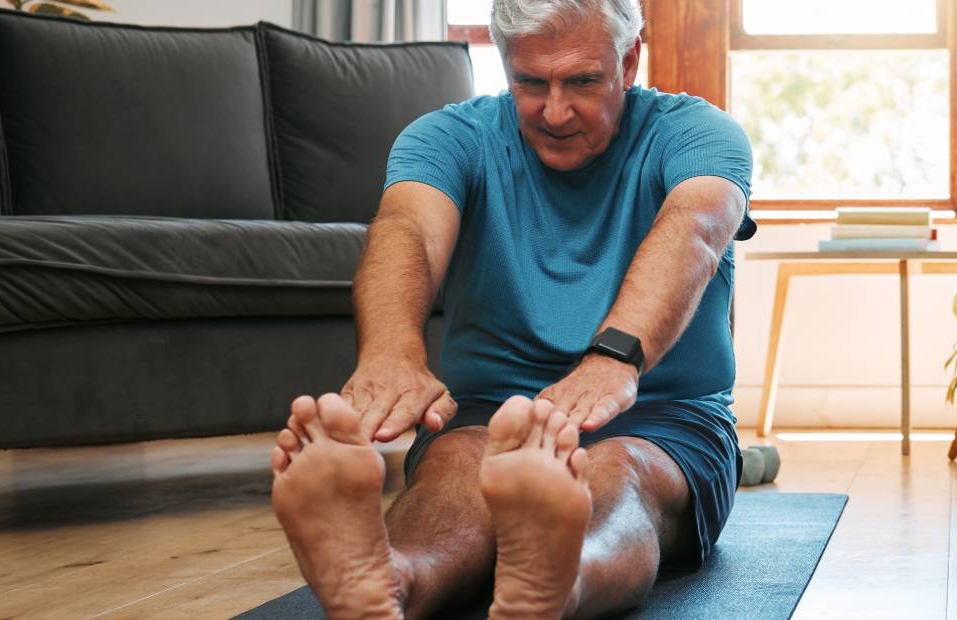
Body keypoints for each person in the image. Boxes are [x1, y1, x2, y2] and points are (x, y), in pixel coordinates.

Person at [266, 0, 755, 616]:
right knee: (457, 468)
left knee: (620, 468)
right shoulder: (449, 138)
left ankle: (559, 581)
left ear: (629, 62)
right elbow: (408, 228)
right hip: (487, 413)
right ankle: (392, 583)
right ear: (503, 67)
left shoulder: (698, 134)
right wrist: (391, 352)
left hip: (661, 415)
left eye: (581, 81)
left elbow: (696, 229)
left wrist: (614, 359)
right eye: (530, 82)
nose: (554, 111)